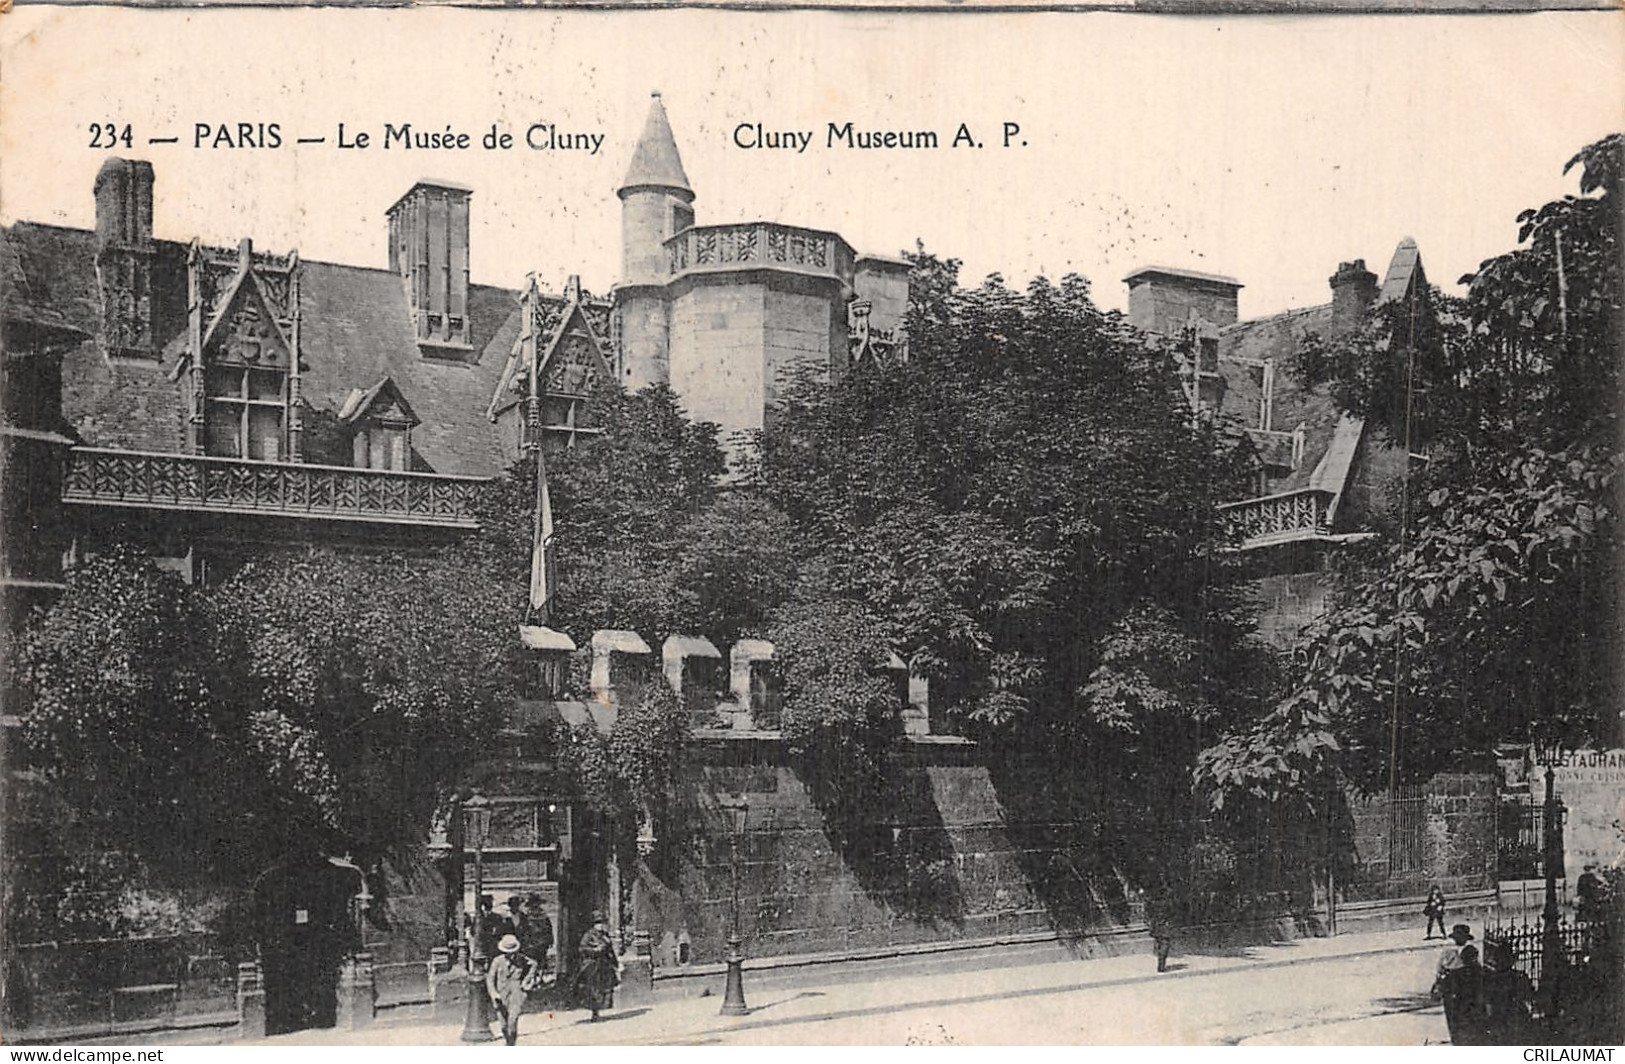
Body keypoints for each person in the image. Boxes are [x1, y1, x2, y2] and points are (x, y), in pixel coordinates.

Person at [1477, 939, 1535, 1044]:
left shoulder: (1490, 978)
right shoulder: (1520, 976)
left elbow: (1487, 1002)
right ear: (1512, 961)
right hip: (1518, 1016)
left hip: (1499, 1016)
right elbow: (1529, 998)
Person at [1435, 925, 1482, 1045]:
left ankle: (1457, 1037)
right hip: (1454, 980)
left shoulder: (1461, 948)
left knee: (1456, 1013)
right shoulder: (1451, 948)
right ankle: (1457, 1038)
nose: (1464, 940)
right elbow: (1443, 966)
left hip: (1455, 981)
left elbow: (1440, 967)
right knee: (1456, 1012)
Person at [486, 934, 535, 1046]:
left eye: (512, 952)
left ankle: (511, 1045)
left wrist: (526, 981)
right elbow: (490, 978)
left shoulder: (521, 959)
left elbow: (534, 964)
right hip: (501, 994)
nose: (510, 955)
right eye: (507, 952)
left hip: (516, 992)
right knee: (503, 1024)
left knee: (512, 1021)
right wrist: (494, 993)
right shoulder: (497, 961)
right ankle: (508, 1041)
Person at [574, 911, 621, 1021]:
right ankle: (594, 1012)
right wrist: (594, 950)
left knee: (603, 988)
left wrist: (615, 963)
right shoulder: (589, 935)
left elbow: (610, 950)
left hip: (604, 965)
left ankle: (600, 1009)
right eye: (597, 923)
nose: (600, 925)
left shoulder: (605, 935)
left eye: (601, 923)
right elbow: (582, 948)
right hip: (592, 965)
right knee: (593, 989)